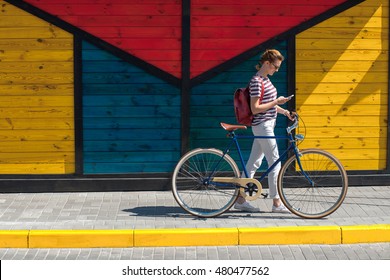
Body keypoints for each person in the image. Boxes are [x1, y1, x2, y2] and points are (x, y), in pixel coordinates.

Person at [234, 49, 294, 213]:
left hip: (267, 125)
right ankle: (276, 203)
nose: (277, 70)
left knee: (254, 163)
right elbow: (255, 108)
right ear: (266, 63)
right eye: (275, 66)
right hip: (263, 126)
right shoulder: (256, 81)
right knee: (275, 162)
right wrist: (277, 100)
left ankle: (240, 200)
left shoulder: (265, 79)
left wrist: (284, 111)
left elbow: (269, 104)